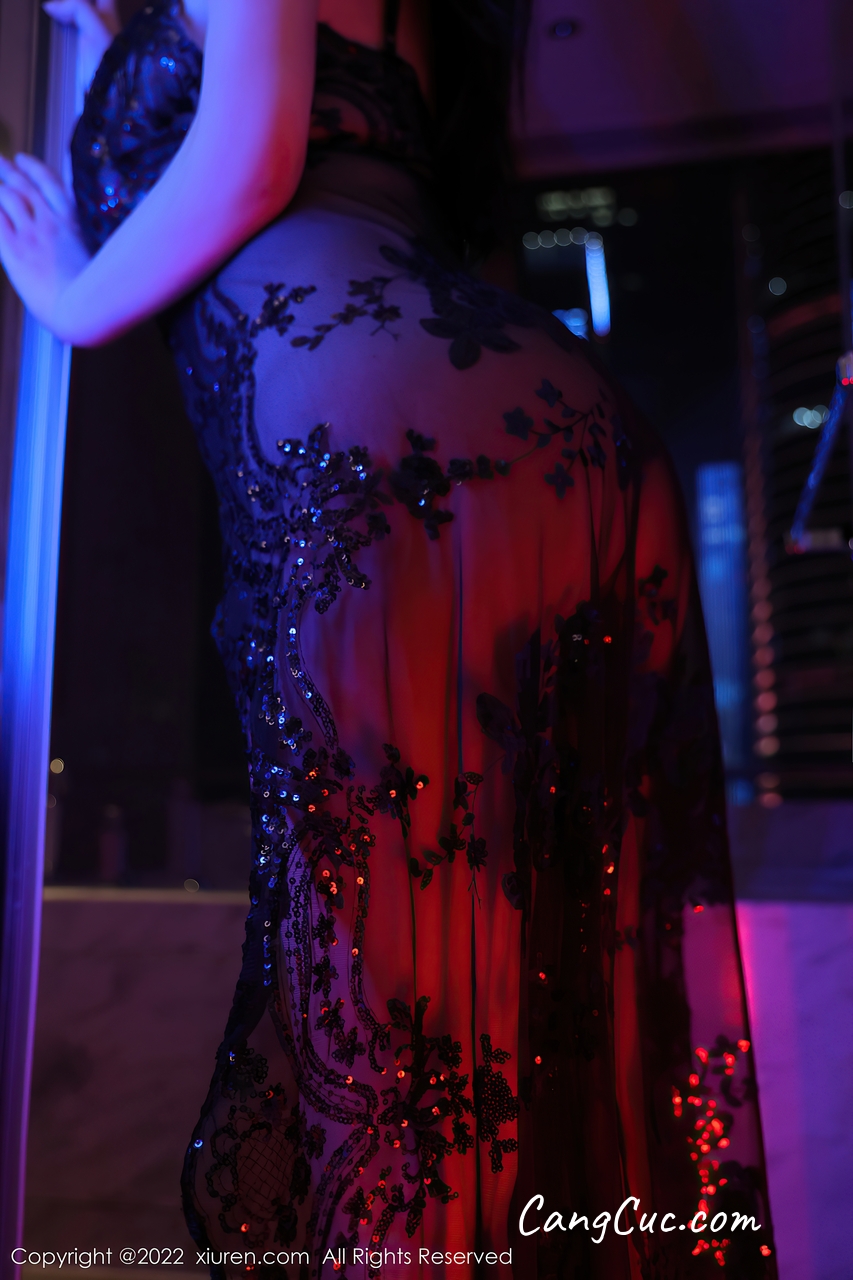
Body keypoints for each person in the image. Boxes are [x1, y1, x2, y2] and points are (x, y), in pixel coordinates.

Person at [0, 2, 776, 1276]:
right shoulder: (414, 26)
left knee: (397, 1031)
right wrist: (108, 39)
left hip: (370, 446)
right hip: (559, 435)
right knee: (521, 987)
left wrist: (67, 297)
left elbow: (246, 162)